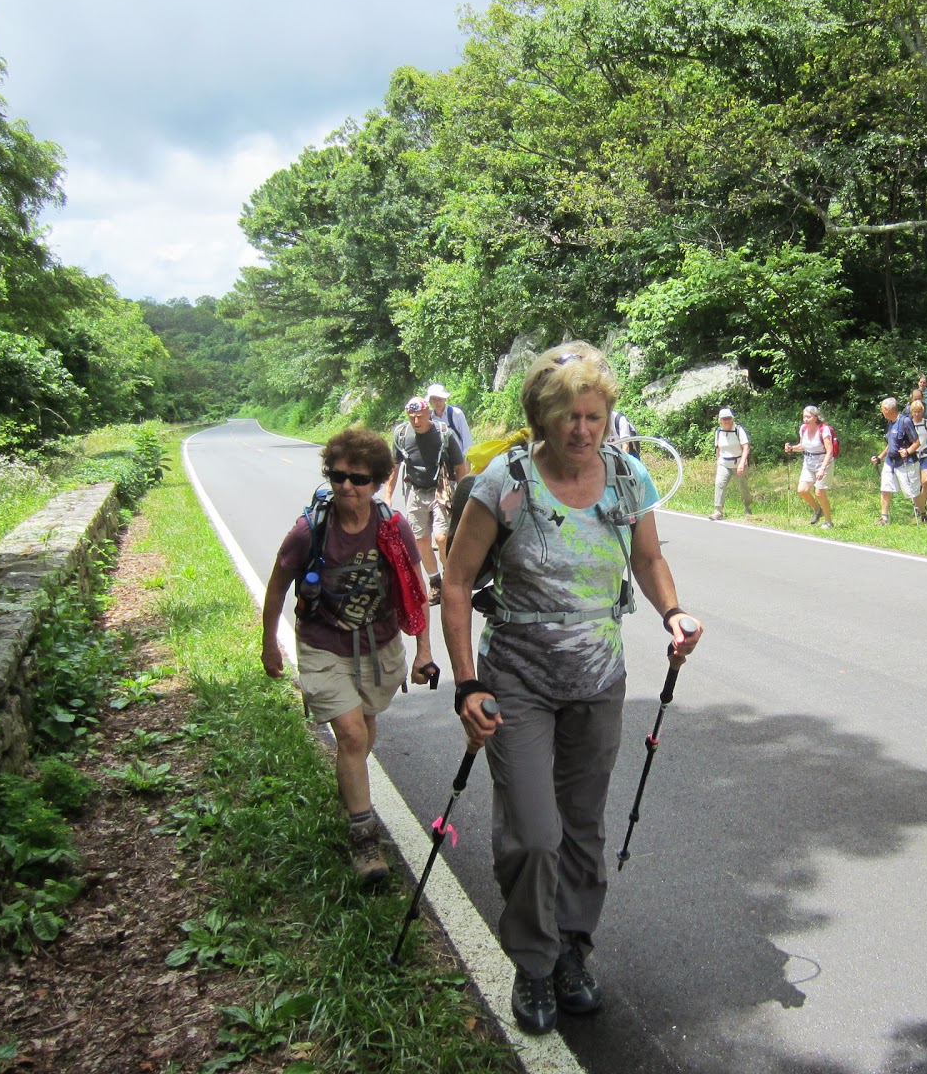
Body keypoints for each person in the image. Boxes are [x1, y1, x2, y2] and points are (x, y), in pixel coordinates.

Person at [442, 342, 703, 1035]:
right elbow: (459, 583)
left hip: (598, 681)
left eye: (593, 416)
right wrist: (467, 682)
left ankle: (572, 952)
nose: (582, 430)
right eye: (568, 417)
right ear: (540, 418)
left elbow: (647, 559)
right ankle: (532, 963)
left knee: (582, 828)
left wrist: (673, 612)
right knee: (534, 833)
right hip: (517, 680)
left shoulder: (627, 478)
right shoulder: (504, 482)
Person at [260, 428, 436, 885]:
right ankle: (364, 840)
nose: (346, 487)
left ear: (378, 481)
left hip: (377, 646)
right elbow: (278, 586)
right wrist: (268, 642)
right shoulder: (309, 531)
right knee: (353, 735)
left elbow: (415, 590)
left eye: (358, 479)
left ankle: (350, 786)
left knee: (363, 731)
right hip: (323, 646)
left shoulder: (391, 529)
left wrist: (424, 650)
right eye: (338, 476)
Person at [386, 396, 468, 604]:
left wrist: (464, 498)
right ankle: (436, 583)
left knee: (441, 538)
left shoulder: (444, 434)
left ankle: (451, 579)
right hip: (415, 490)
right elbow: (394, 467)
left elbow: (460, 467)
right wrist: (387, 497)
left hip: (441, 489)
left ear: (428, 414)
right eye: (411, 417)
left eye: (419, 416)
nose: (415, 421)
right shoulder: (402, 435)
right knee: (420, 539)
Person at [783, 405, 835, 528]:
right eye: (804, 417)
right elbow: (802, 446)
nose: (806, 419)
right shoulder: (803, 429)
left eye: (808, 417)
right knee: (802, 490)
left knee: (819, 493)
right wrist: (791, 448)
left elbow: (830, 451)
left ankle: (829, 522)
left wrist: (822, 469)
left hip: (824, 463)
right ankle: (818, 510)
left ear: (816, 417)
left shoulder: (824, 429)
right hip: (808, 463)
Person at [869, 397, 919, 524]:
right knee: (885, 487)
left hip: (905, 462)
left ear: (888, 409)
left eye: (882, 409)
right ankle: (884, 517)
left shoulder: (905, 421)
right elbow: (891, 444)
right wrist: (880, 457)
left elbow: (916, 443)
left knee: (911, 490)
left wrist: (907, 451)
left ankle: (921, 512)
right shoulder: (890, 423)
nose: (881, 412)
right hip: (890, 462)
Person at [710, 406, 752, 521]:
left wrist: (742, 464)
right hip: (724, 463)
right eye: (724, 419)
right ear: (720, 420)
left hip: (738, 462)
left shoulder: (738, 430)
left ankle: (748, 507)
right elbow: (718, 449)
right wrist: (718, 461)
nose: (727, 421)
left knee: (743, 487)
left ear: (732, 419)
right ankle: (718, 511)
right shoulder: (718, 432)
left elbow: (746, 447)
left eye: (728, 418)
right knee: (719, 484)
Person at [905, 398, 927, 522]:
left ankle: (921, 505)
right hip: (913, 456)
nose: (917, 414)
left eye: (919, 411)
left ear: (922, 411)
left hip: (925, 455)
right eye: (914, 411)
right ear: (911, 412)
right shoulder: (908, 424)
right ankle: (921, 509)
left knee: (926, 481)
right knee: (916, 484)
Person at [426, 382, 473, 455]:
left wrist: (466, 460)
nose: (437, 402)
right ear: (430, 401)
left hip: (460, 458)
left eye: (439, 399)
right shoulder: (428, 418)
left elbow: (467, 439)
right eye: (434, 399)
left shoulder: (456, 413)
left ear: (445, 399)